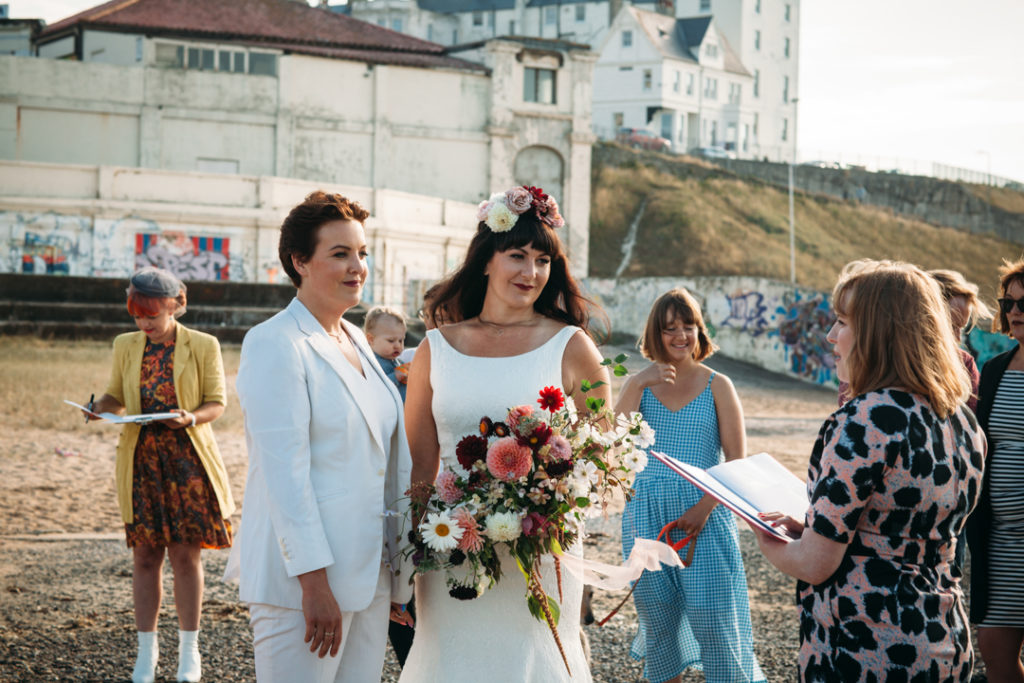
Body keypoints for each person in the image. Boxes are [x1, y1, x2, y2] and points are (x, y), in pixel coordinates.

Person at [399, 184, 608, 682]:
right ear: (486, 260)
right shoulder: (434, 348)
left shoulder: (574, 346)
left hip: (541, 548)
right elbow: (421, 466)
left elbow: (601, 454)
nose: (531, 272)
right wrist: (409, 550)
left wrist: (544, 503)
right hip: (450, 546)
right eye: (517, 255)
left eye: (542, 260)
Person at [751, 260, 985, 681]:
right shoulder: (963, 422)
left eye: (842, 322)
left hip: (867, 644)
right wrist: (810, 528)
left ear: (879, 332)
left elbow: (816, 564)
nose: (830, 336)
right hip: (943, 637)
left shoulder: (865, 418)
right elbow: (897, 527)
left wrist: (764, 533)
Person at [233, 191, 413, 682]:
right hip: (306, 584)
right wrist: (314, 585)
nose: (358, 266)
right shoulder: (275, 343)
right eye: (340, 254)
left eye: (362, 254)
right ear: (300, 262)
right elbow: (283, 476)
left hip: (370, 570)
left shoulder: (355, 336)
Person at [85, 266, 234, 683]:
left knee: (186, 556)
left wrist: (189, 418)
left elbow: (216, 403)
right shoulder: (126, 344)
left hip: (188, 461)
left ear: (175, 306)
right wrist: (100, 407)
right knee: (146, 556)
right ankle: (145, 653)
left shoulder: (204, 345)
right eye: (136, 315)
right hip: (141, 460)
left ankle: (190, 651)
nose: (144, 323)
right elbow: (116, 394)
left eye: (151, 314)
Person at [615, 288, 766, 683]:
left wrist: (703, 509)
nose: (680, 336)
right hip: (645, 517)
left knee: (714, 622)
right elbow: (609, 443)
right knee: (659, 623)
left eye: (689, 326)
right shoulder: (642, 386)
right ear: (655, 333)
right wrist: (635, 383)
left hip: (703, 516)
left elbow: (736, 463)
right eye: (669, 329)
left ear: (700, 330)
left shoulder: (719, 385)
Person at [967, 258, 1024, 683]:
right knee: (993, 647)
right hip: (1000, 538)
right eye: (1009, 302)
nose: (1015, 311)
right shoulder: (994, 370)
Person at [837, 268, 988, 410]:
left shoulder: (964, 364)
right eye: (951, 326)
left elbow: (973, 421)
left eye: (961, 329)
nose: (956, 338)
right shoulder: (868, 359)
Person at [364, 306, 409, 401]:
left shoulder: (398, 361)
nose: (397, 345)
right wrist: (396, 376)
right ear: (371, 339)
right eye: (391, 340)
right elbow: (374, 389)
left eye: (401, 340)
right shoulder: (371, 363)